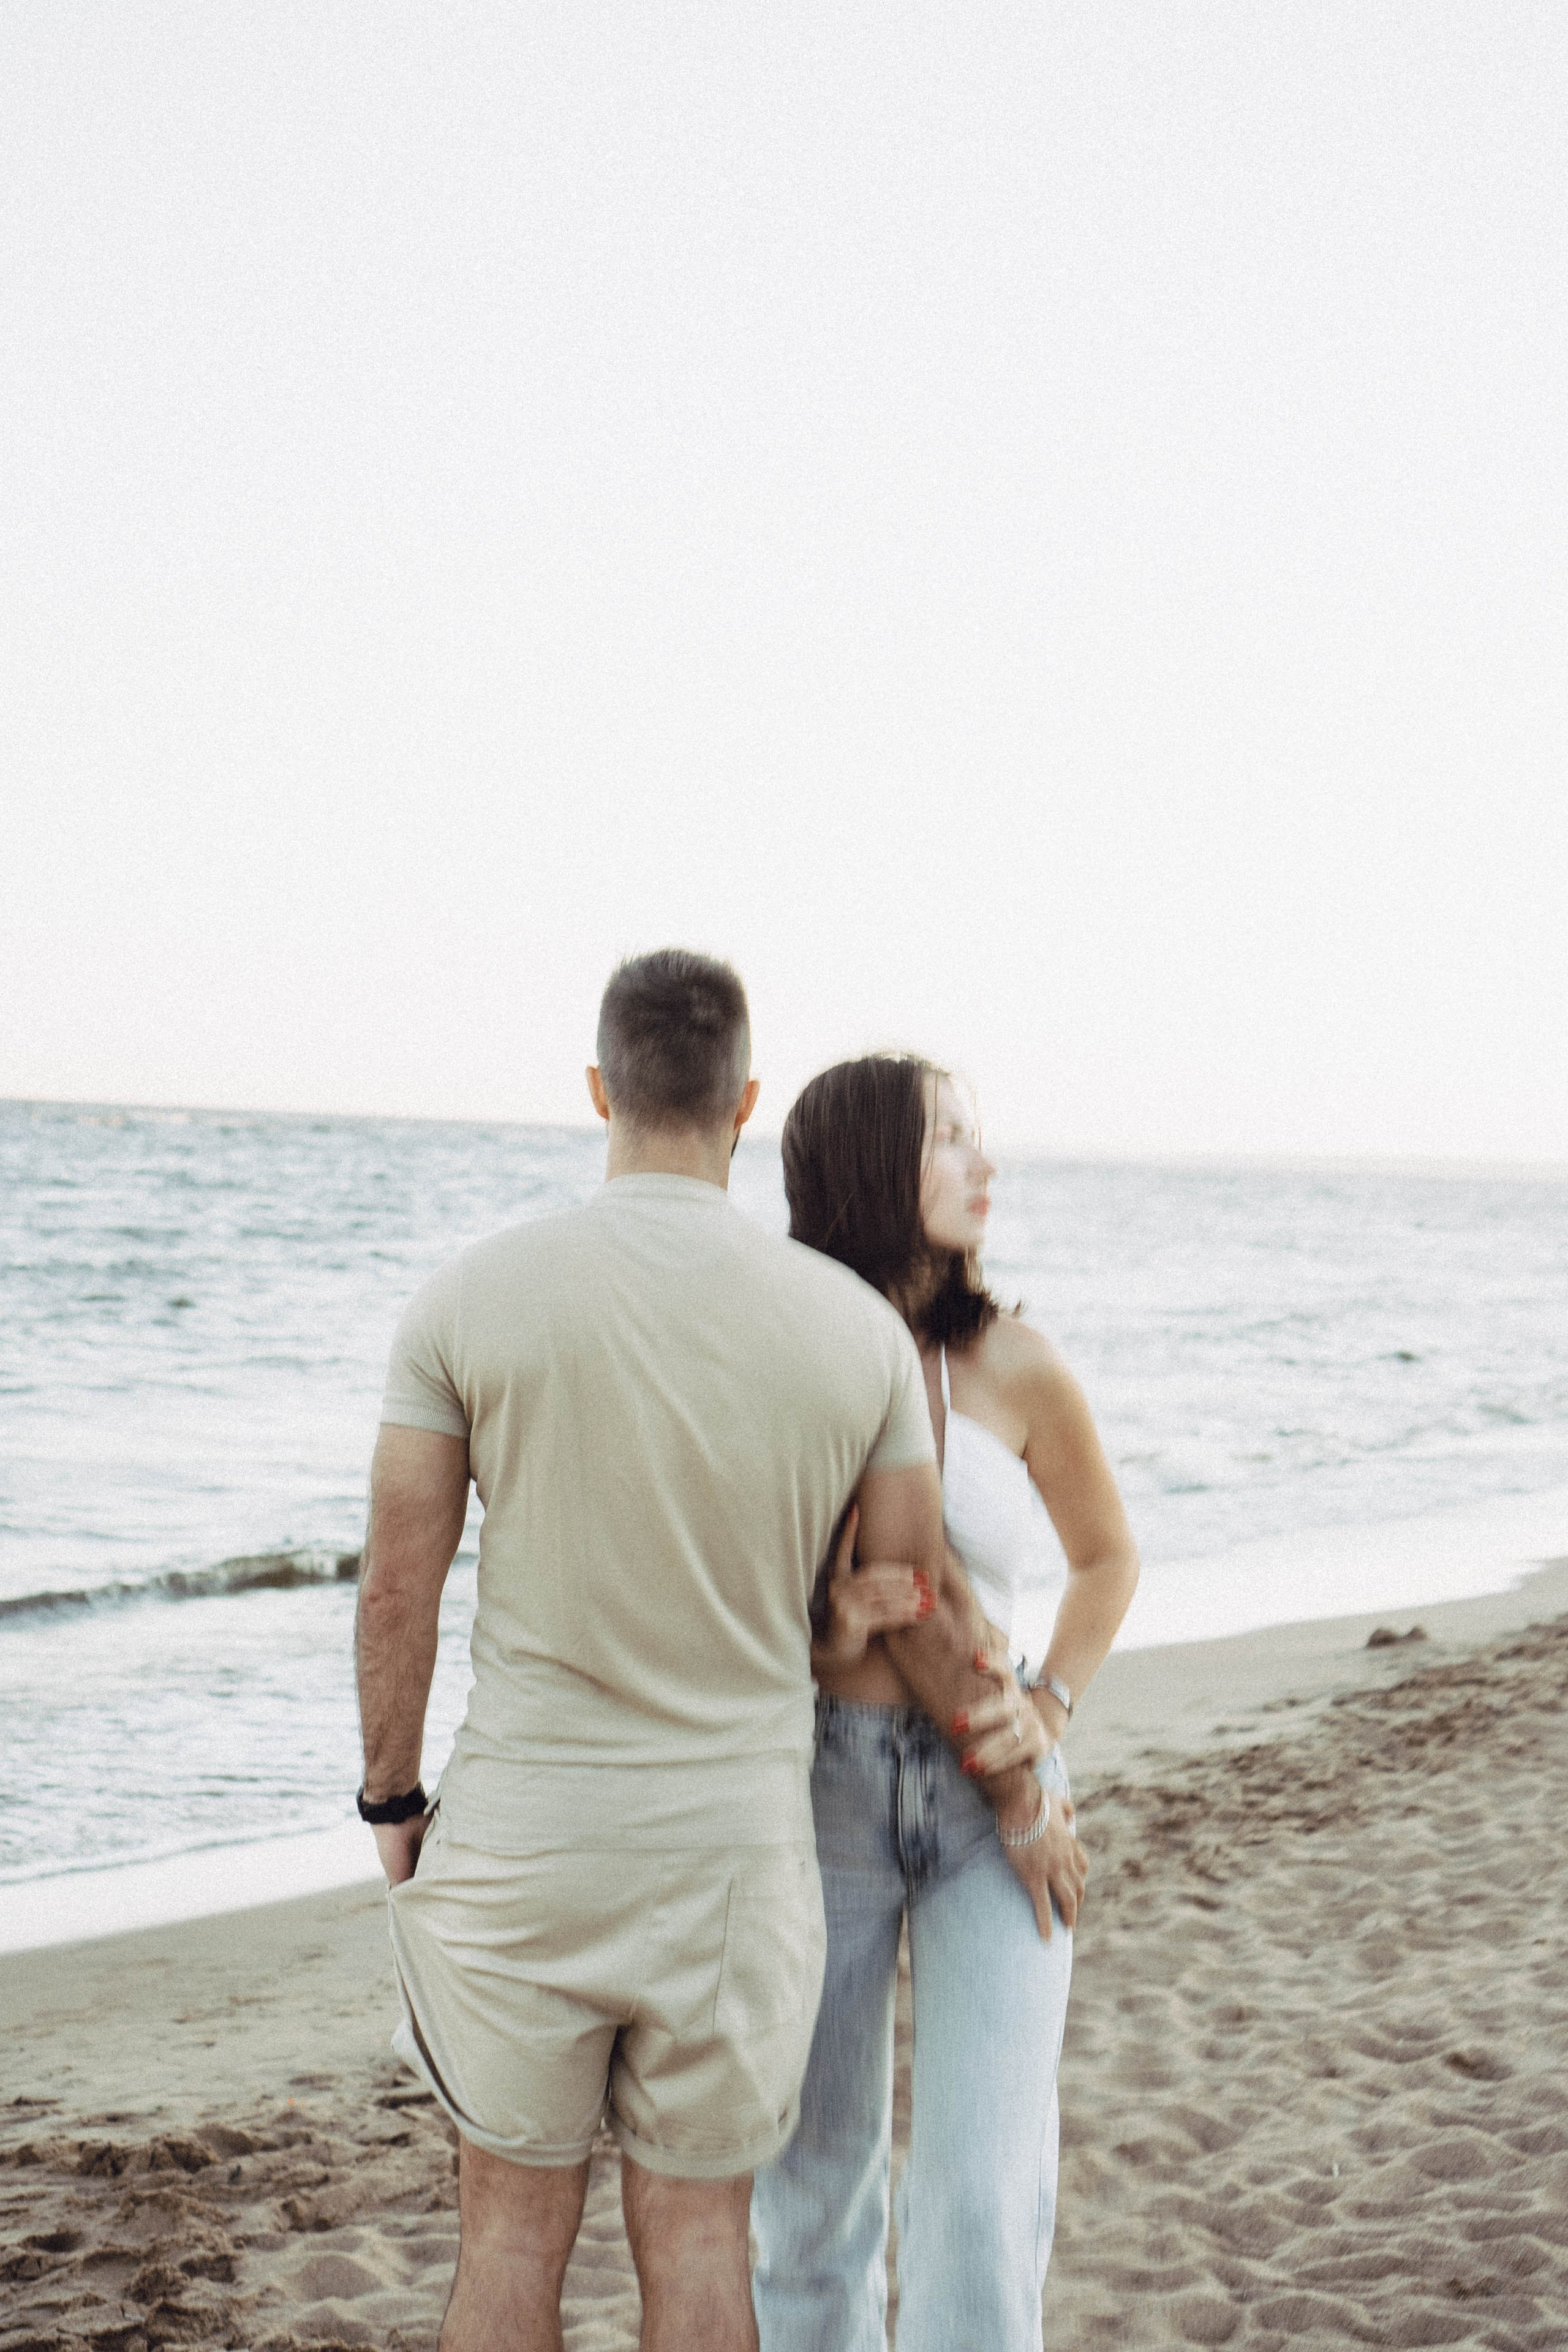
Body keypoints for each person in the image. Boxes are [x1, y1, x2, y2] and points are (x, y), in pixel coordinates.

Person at [353, 952, 1058, 2352]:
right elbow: (910, 1592)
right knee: (697, 2246)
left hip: (522, 1847)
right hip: (735, 1862)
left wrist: (392, 1803)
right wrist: (1018, 1771)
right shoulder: (850, 1331)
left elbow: (396, 1590)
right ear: (741, 1102)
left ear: (601, 1089)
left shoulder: (467, 1300)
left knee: (503, 2239)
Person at [752, 1054, 1140, 2352]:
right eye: (949, 1141)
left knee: (976, 2199)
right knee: (808, 2207)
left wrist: (1051, 1706)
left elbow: (1105, 1557)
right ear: (869, 1168)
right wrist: (818, 1631)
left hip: (994, 1803)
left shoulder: (1016, 1362)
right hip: (820, 1795)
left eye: (980, 1138)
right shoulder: (783, 1365)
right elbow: (720, 1586)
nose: (985, 1165)